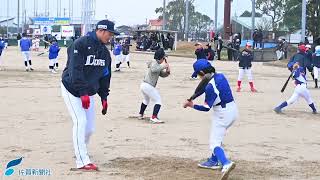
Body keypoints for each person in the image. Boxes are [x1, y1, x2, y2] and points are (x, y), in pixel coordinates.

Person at [61, 19, 118, 171]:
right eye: (110, 34)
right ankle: (82, 160)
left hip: (88, 91)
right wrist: (82, 93)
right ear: (101, 31)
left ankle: (80, 148)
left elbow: (105, 76)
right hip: (72, 88)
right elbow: (75, 70)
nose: (110, 37)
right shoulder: (80, 44)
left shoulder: (105, 54)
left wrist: (104, 97)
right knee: (80, 121)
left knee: (90, 128)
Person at [183, 59, 237, 180]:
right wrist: (193, 97)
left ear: (202, 72)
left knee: (214, 143)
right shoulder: (220, 76)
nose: (198, 77)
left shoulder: (210, 87)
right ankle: (213, 160)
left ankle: (225, 163)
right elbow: (203, 86)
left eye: (198, 74)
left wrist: (191, 105)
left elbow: (206, 108)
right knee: (218, 135)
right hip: (232, 110)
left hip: (222, 114)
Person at [135, 48, 170, 124]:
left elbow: (161, 74)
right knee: (158, 100)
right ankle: (154, 117)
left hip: (144, 85)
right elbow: (154, 69)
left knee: (146, 100)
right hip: (148, 85)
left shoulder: (157, 65)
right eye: (163, 58)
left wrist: (167, 72)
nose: (163, 60)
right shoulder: (154, 63)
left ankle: (140, 114)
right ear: (160, 57)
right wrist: (164, 65)